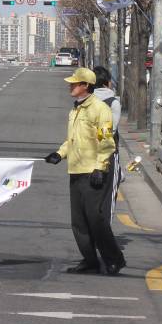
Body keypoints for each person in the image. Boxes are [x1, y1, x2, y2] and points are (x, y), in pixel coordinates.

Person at [45, 67, 126, 275]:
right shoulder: (75, 110)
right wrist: (59, 153)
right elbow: (72, 140)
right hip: (76, 170)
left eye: (75, 83)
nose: (70, 86)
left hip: (93, 172)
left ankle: (114, 258)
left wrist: (100, 167)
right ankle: (90, 260)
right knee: (78, 221)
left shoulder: (100, 110)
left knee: (96, 218)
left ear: (86, 86)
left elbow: (106, 142)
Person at [92, 65, 122, 223]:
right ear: (107, 83)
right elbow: (110, 131)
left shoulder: (85, 100)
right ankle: (104, 234)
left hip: (87, 154)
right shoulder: (112, 102)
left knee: (92, 195)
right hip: (108, 154)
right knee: (108, 195)